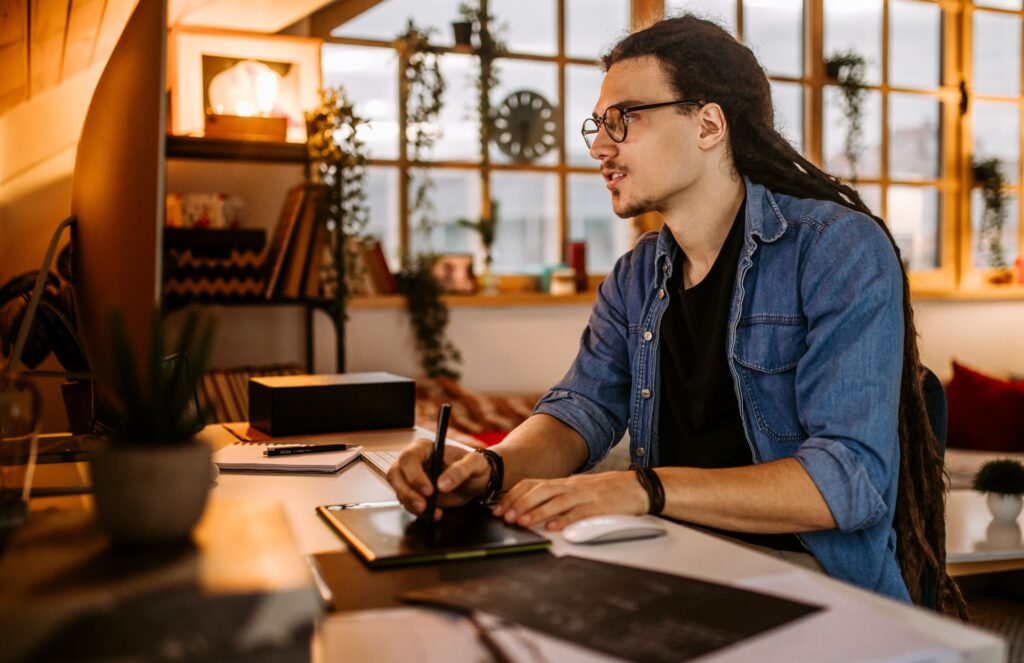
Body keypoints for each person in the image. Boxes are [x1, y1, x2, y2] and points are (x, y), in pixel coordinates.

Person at [388, 14, 966, 618]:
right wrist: (485, 468)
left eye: (624, 120)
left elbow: (848, 480)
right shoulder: (637, 275)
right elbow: (578, 411)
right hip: (676, 562)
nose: (599, 147)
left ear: (708, 124)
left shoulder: (836, 250)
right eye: (597, 126)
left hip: (817, 587)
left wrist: (642, 489)